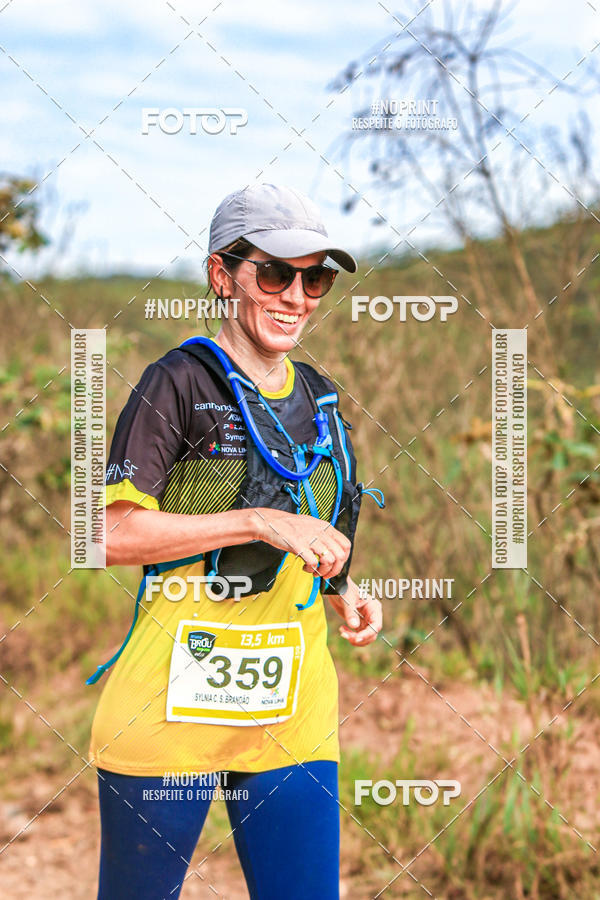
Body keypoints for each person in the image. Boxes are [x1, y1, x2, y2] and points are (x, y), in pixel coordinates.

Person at [88, 183, 383, 899]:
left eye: (316, 278)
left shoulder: (319, 393)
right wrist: (253, 523)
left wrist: (342, 588)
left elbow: (314, 509)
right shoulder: (176, 384)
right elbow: (105, 535)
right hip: (168, 709)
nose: (297, 296)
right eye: (276, 273)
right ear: (223, 275)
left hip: (294, 711)